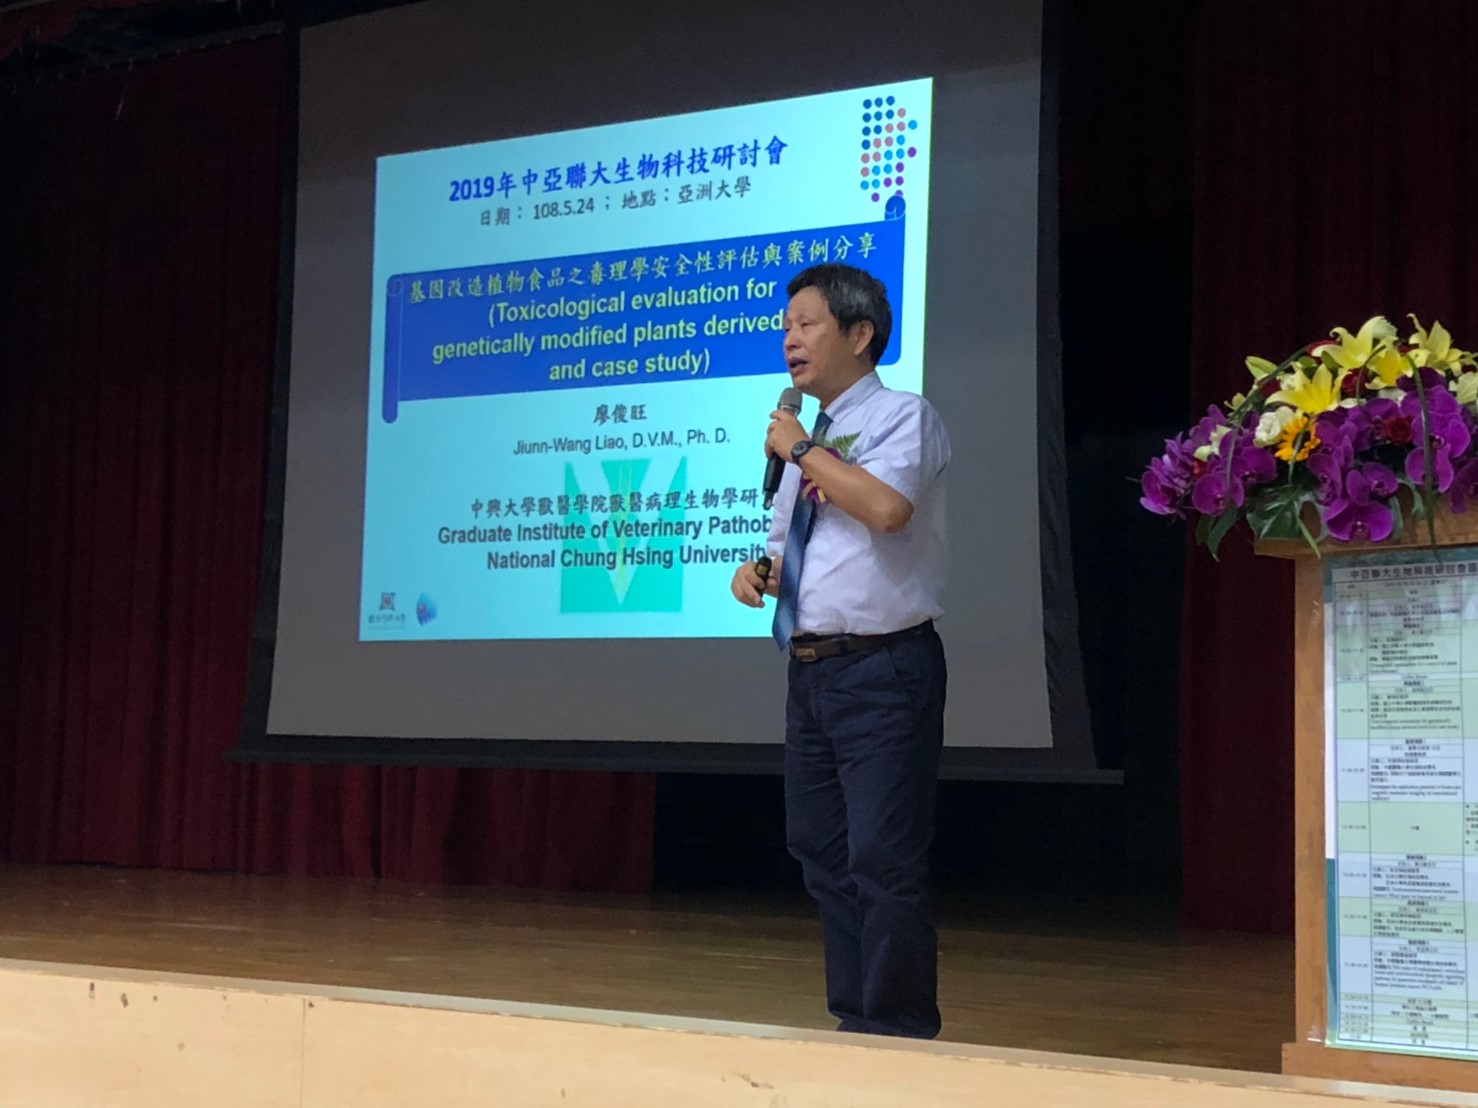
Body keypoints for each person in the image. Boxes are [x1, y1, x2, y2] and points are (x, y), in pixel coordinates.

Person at [728, 263, 950, 1039]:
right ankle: (856, 1021)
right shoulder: (810, 441)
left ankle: (896, 1029)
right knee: (820, 851)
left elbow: (886, 510)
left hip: (883, 669)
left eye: (807, 324)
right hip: (811, 670)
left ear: (860, 334)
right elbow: (806, 548)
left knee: (883, 858)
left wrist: (799, 451)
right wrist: (760, 574)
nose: (789, 340)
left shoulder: (901, 416)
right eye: (785, 327)